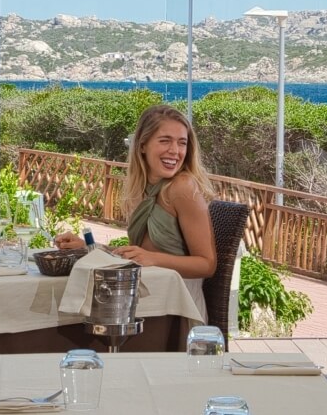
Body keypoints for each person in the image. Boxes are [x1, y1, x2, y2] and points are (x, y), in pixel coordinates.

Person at [55, 104, 217, 319]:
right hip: (144, 301)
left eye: (182, 143)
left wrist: (153, 258)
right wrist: (90, 247)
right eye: (165, 140)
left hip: (177, 309)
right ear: (142, 145)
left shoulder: (182, 187)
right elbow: (139, 256)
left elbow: (206, 264)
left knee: (75, 317)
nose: (175, 151)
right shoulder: (142, 190)